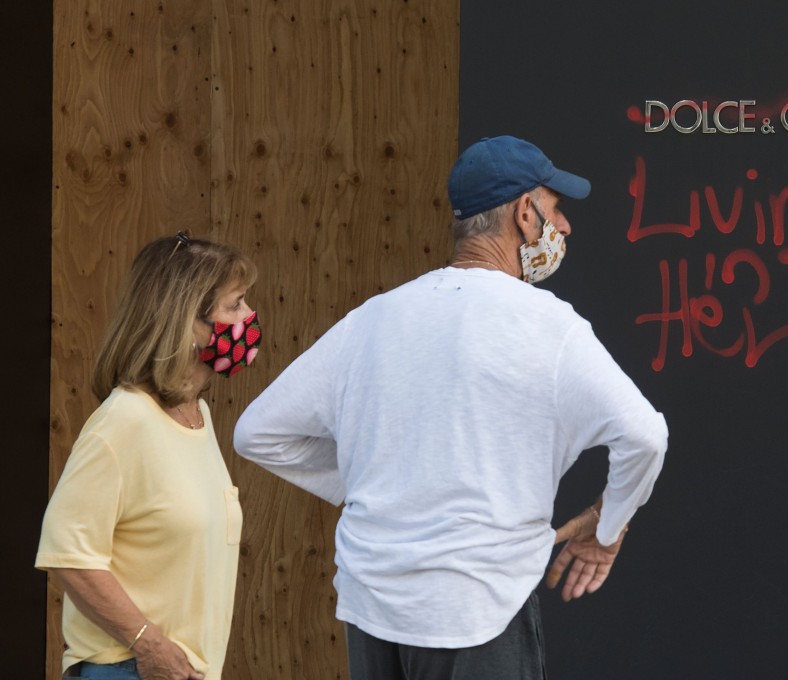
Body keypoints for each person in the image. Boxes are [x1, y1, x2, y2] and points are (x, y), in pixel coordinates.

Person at [233, 135, 668, 679]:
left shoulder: (374, 318)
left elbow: (257, 432)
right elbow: (645, 436)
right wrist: (607, 526)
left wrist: (369, 487)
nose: (566, 228)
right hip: (479, 607)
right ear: (525, 215)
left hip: (374, 608)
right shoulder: (549, 326)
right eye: (557, 210)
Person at [36, 233, 262, 680]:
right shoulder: (124, 422)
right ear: (187, 322)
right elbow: (69, 555)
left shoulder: (198, 415)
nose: (250, 317)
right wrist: (151, 646)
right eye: (234, 305)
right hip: (129, 670)